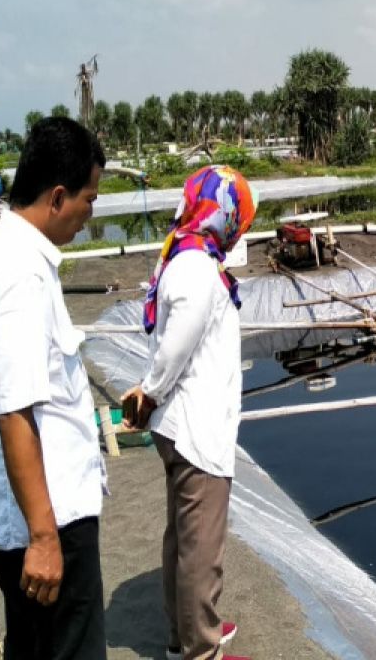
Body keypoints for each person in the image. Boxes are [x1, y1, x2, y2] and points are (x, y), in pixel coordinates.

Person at [0, 116, 107, 659]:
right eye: (89, 199)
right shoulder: (17, 273)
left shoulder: (2, 255)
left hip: (31, 516)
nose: (91, 216)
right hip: (43, 522)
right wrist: (43, 538)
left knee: (35, 647)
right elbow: (13, 412)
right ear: (58, 196)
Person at [121, 165, 257, 660]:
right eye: (239, 216)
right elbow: (177, 346)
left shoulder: (184, 254)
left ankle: (187, 637)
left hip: (180, 425)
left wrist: (152, 396)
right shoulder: (200, 269)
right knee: (201, 549)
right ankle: (201, 650)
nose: (241, 227)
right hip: (196, 427)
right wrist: (150, 392)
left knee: (182, 538)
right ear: (224, 214)